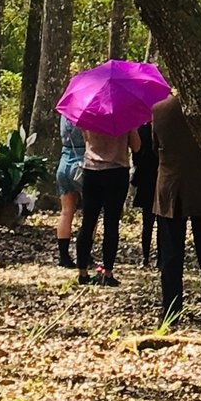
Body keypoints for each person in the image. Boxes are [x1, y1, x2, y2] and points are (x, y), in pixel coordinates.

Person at [148, 95, 201, 324]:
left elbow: (155, 146)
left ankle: (171, 310)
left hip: (170, 186)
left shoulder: (159, 109)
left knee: (170, 254)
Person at [75, 119, 136, 285]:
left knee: (88, 221)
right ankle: (108, 273)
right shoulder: (125, 117)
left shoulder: (88, 116)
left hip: (91, 170)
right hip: (117, 171)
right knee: (111, 222)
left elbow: (86, 139)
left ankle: (82, 272)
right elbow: (137, 146)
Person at [53, 114, 88, 269]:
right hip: (82, 163)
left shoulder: (65, 114)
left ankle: (64, 255)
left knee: (66, 212)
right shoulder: (87, 115)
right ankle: (86, 253)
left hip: (64, 161)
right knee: (89, 213)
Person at [130, 115, 161, 267]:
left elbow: (137, 155)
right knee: (162, 221)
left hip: (146, 179)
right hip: (162, 177)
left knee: (147, 222)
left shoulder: (142, 129)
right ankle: (161, 257)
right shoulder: (163, 128)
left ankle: (145, 256)